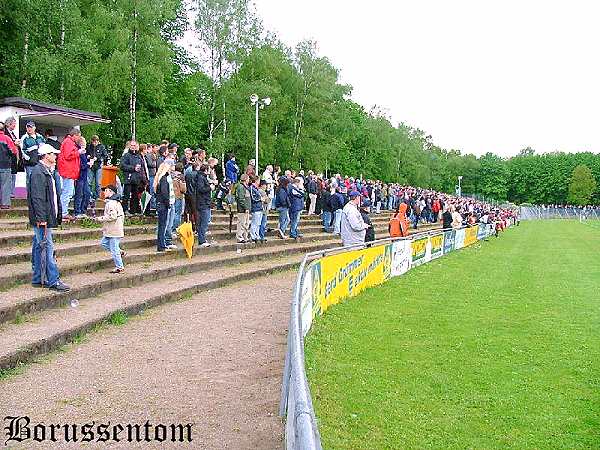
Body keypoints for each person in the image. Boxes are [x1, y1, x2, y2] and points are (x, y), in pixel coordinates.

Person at [27, 144, 69, 291]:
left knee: (40, 247)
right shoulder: (39, 173)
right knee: (47, 248)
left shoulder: (46, 171)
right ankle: (53, 280)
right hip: (42, 218)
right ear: (46, 156)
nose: (56, 157)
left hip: (45, 216)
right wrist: (41, 218)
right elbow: (37, 198)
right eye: (53, 154)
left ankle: (38, 278)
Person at [95, 185, 125, 273]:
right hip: (112, 230)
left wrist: (100, 218)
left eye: (106, 190)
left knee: (114, 249)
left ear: (111, 192)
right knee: (104, 243)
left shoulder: (111, 203)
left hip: (114, 230)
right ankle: (120, 252)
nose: (104, 192)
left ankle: (120, 267)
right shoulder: (115, 202)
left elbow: (113, 216)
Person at [57, 127, 83, 220]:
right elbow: (68, 155)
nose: (79, 138)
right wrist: (78, 152)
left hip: (69, 171)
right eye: (78, 136)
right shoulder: (69, 142)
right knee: (67, 193)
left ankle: (63, 211)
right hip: (68, 171)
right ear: (75, 135)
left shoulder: (68, 142)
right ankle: (63, 212)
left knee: (68, 192)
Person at [120, 140, 146, 215]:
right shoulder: (126, 155)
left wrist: (143, 178)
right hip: (128, 178)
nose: (133, 147)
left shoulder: (138, 156)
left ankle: (133, 210)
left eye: (134, 145)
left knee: (135, 196)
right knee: (126, 195)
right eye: (131, 145)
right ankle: (124, 210)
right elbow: (122, 166)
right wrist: (133, 168)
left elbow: (142, 168)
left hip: (137, 179)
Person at [154, 162, 176, 252]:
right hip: (163, 205)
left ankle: (162, 245)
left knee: (162, 226)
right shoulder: (163, 178)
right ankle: (161, 246)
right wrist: (168, 203)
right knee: (162, 226)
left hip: (161, 204)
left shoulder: (161, 178)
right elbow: (164, 192)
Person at [0, 122, 18, 209]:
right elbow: (14, 151)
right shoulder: (7, 138)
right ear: (3, 129)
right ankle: (5, 204)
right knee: (5, 185)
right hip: (5, 165)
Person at [194, 163, 212, 248]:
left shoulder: (202, 177)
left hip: (205, 202)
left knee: (204, 221)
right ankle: (202, 240)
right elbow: (201, 189)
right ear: (206, 170)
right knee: (204, 222)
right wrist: (210, 188)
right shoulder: (201, 177)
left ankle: (202, 239)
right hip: (203, 203)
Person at [73, 136, 91, 218]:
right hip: (80, 176)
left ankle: (83, 211)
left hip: (84, 176)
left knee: (87, 193)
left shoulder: (83, 152)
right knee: (79, 194)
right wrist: (88, 164)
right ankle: (77, 212)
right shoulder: (79, 152)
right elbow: (80, 166)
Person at [86, 135, 108, 201]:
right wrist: (88, 156)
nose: (94, 143)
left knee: (98, 183)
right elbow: (86, 154)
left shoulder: (102, 147)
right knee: (89, 182)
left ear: (98, 141)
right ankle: (89, 196)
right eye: (93, 142)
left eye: (96, 142)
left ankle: (98, 197)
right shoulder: (89, 147)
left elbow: (105, 156)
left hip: (98, 166)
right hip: (90, 166)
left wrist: (98, 158)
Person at [4, 117, 21, 196]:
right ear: (9, 124)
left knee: (13, 175)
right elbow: (7, 145)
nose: (15, 125)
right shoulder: (5, 133)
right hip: (8, 159)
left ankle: (12, 192)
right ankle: (9, 193)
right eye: (14, 124)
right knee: (9, 176)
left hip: (13, 159)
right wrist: (14, 143)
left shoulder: (12, 133)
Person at [235, 173, 251, 243]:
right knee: (241, 223)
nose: (249, 180)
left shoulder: (245, 187)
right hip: (242, 209)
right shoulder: (241, 187)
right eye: (248, 179)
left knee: (246, 224)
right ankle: (239, 237)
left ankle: (245, 237)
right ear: (245, 179)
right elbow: (241, 199)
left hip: (246, 209)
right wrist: (246, 207)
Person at [172, 162, 187, 233]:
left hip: (171, 196)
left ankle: (170, 228)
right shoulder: (181, 176)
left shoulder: (171, 175)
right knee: (178, 213)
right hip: (178, 196)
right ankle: (175, 228)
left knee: (172, 212)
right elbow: (183, 188)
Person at [249, 176, 263, 242]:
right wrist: (260, 199)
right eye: (259, 180)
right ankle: (253, 236)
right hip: (255, 208)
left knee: (258, 223)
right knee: (254, 223)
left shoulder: (256, 188)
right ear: (256, 180)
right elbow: (253, 198)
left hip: (259, 208)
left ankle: (257, 235)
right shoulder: (252, 188)